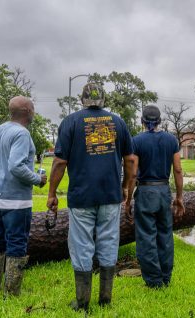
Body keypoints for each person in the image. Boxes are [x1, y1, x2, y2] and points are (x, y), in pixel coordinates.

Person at [46, 83, 135, 311]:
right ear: (103, 99)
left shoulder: (70, 122)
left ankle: (82, 303)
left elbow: (59, 162)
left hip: (81, 196)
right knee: (108, 242)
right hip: (110, 195)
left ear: (82, 100)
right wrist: (125, 187)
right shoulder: (119, 122)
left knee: (81, 245)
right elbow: (131, 161)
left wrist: (52, 193)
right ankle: (105, 299)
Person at [0, 96, 47, 296]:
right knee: (17, 242)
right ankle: (11, 293)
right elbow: (16, 166)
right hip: (15, 200)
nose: (34, 111)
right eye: (33, 108)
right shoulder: (22, 134)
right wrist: (38, 179)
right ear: (27, 111)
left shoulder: (0, 129)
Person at [128, 105, 185, 289]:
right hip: (163, 192)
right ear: (160, 121)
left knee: (146, 236)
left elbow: (133, 173)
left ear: (142, 121)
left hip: (145, 192)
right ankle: (166, 277)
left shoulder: (136, 141)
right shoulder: (171, 140)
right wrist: (179, 197)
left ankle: (154, 281)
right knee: (165, 235)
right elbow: (177, 169)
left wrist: (128, 198)